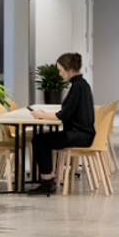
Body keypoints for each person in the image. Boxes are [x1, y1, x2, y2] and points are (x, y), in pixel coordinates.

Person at [26, 52, 94, 195]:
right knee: (43, 139)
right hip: (84, 134)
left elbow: (63, 115)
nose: (59, 74)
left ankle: (47, 181)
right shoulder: (82, 85)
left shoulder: (77, 87)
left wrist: (42, 115)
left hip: (78, 135)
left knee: (39, 140)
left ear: (68, 70)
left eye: (60, 70)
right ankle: (49, 178)